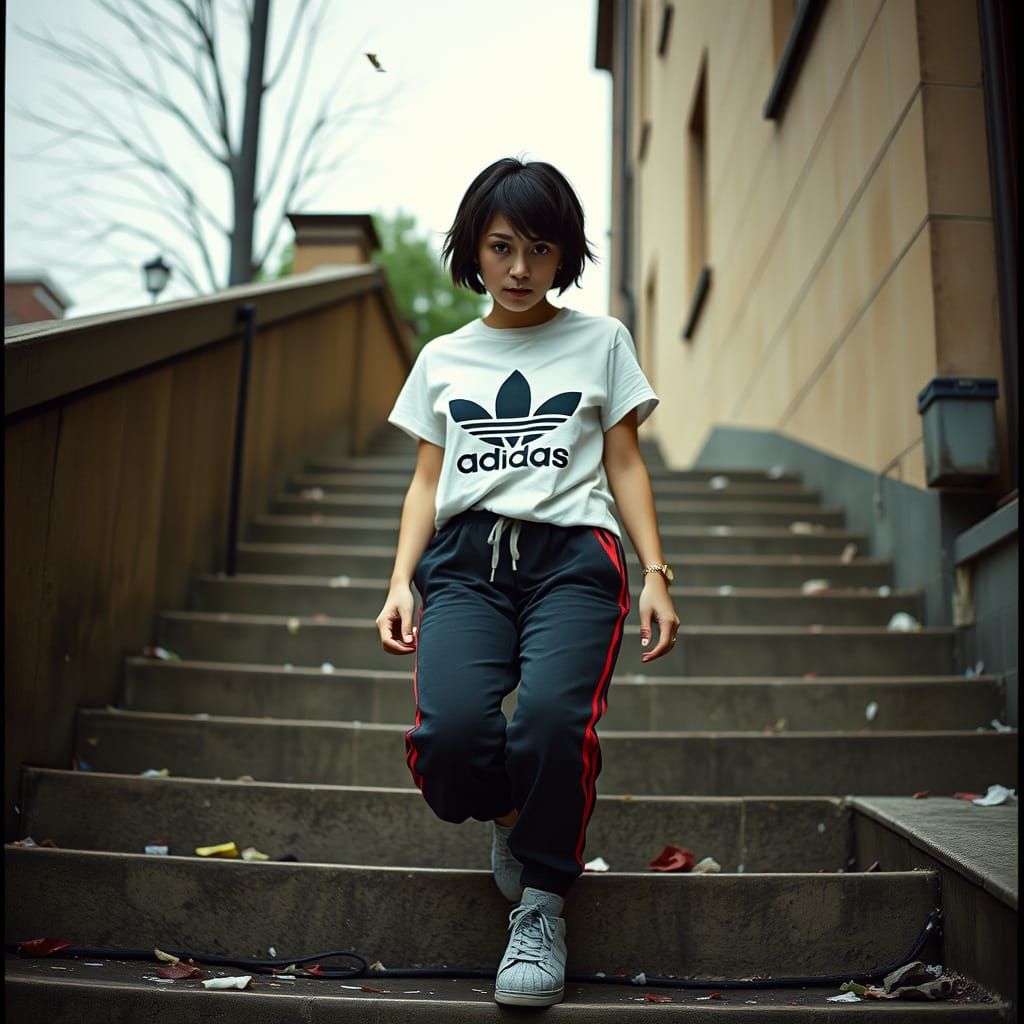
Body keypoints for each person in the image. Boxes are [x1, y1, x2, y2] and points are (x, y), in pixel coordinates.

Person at [375, 156, 680, 1008]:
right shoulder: (444, 355)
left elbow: (625, 459)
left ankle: (542, 904)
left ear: (563, 256)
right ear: (474, 247)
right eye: (501, 246)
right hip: (467, 564)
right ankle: (515, 816)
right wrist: (401, 581)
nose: (518, 269)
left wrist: (655, 572)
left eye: (539, 250)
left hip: (574, 561)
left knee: (549, 720)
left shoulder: (602, 339)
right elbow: (426, 483)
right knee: (449, 741)